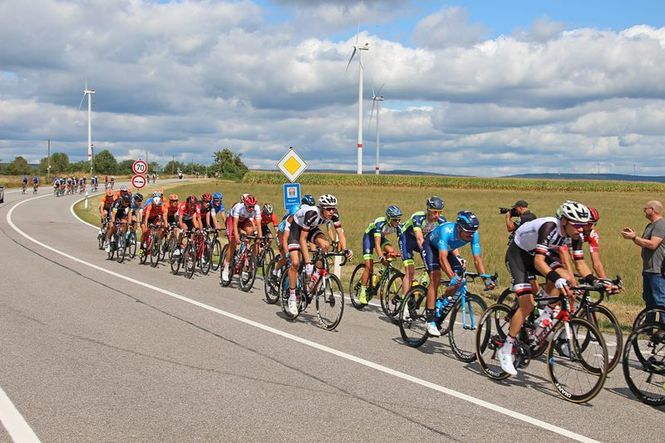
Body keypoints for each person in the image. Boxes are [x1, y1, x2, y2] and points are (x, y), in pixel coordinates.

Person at [497, 201, 597, 376]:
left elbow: (580, 263)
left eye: (583, 226)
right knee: (527, 304)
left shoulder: (576, 236)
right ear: (565, 221)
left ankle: (544, 317)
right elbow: (538, 262)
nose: (581, 229)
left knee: (566, 278)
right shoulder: (549, 226)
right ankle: (506, 349)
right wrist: (556, 280)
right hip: (519, 255)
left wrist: (596, 281)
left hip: (538, 254)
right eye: (577, 225)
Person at [422, 211, 495, 336]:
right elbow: (442, 258)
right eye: (468, 232)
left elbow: (477, 259)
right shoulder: (447, 231)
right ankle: (430, 320)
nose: (471, 235)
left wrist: (485, 279)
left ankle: (442, 300)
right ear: (460, 228)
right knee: (436, 277)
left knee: (460, 278)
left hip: (448, 250)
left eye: (473, 232)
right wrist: (452, 277)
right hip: (431, 247)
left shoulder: (473, 234)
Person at [285, 194, 352, 316]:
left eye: (333, 208)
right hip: (297, 229)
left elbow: (340, 232)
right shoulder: (312, 213)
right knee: (295, 263)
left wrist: (345, 249)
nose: (331, 211)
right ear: (321, 208)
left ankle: (315, 274)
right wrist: (308, 262)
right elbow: (303, 239)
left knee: (325, 245)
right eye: (328, 209)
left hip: (312, 228)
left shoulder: (334, 214)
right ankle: (292, 297)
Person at [621, 200, 665, 323]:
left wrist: (634, 237)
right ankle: (649, 326)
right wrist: (633, 236)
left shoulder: (660, 225)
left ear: (652, 210)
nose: (644, 211)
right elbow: (644, 243)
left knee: (660, 300)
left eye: (645, 208)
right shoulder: (650, 225)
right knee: (649, 299)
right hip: (648, 269)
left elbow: (652, 244)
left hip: (658, 270)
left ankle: (663, 327)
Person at [399, 196, 448, 296]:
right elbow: (420, 239)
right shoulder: (418, 217)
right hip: (407, 239)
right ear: (428, 210)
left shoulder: (441, 221)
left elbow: (443, 241)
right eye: (435, 212)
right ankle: (404, 303)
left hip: (423, 241)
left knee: (435, 265)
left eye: (440, 212)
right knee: (410, 271)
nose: (437, 215)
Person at [358, 205, 403, 305]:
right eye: (395, 219)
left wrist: (402, 254)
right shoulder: (380, 223)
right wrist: (380, 256)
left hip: (381, 237)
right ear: (388, 218)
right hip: (369, 238)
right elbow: (377, 244)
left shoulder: (398, 226)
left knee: (391, 251)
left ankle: (381, 272)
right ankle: (362, 290)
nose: (397, 222)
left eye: (399, 219)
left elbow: (401, 242)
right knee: (369, 266)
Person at [222, 194, 262, 281]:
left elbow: (258, 224)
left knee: (251, 231)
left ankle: (244, 251)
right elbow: (235, 224)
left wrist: (259, 237)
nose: (251, 208)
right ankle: (226, 267)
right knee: (233, 243)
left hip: (244, 220)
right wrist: (236, 237)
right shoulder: (238, 207)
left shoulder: (257, 208)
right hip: (232, 220)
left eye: (253, 206)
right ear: (245, 204)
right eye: (249, 206)